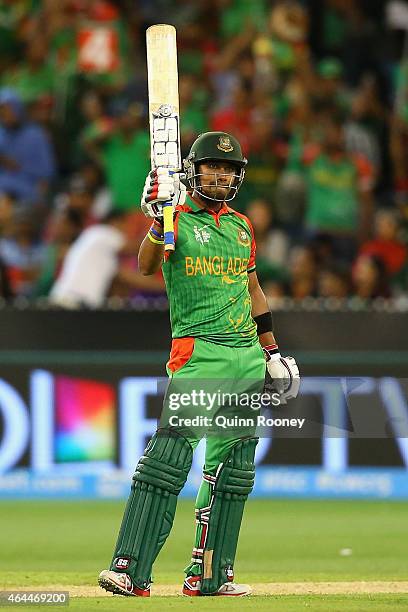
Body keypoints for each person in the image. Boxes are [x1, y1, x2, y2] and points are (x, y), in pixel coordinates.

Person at [98, 131, 300, 597]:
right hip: (200, 353)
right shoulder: (175, 219)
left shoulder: (242, 227)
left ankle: (210, 575)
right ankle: (130, 569)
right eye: (213, 166)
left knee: (234, 471)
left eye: (230, 169)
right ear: (193, 169)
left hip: (246, 354)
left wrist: (271, 350)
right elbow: (148, 265)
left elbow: (252, 291)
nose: (223, 174)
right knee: (167, 461)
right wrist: (156, 219)